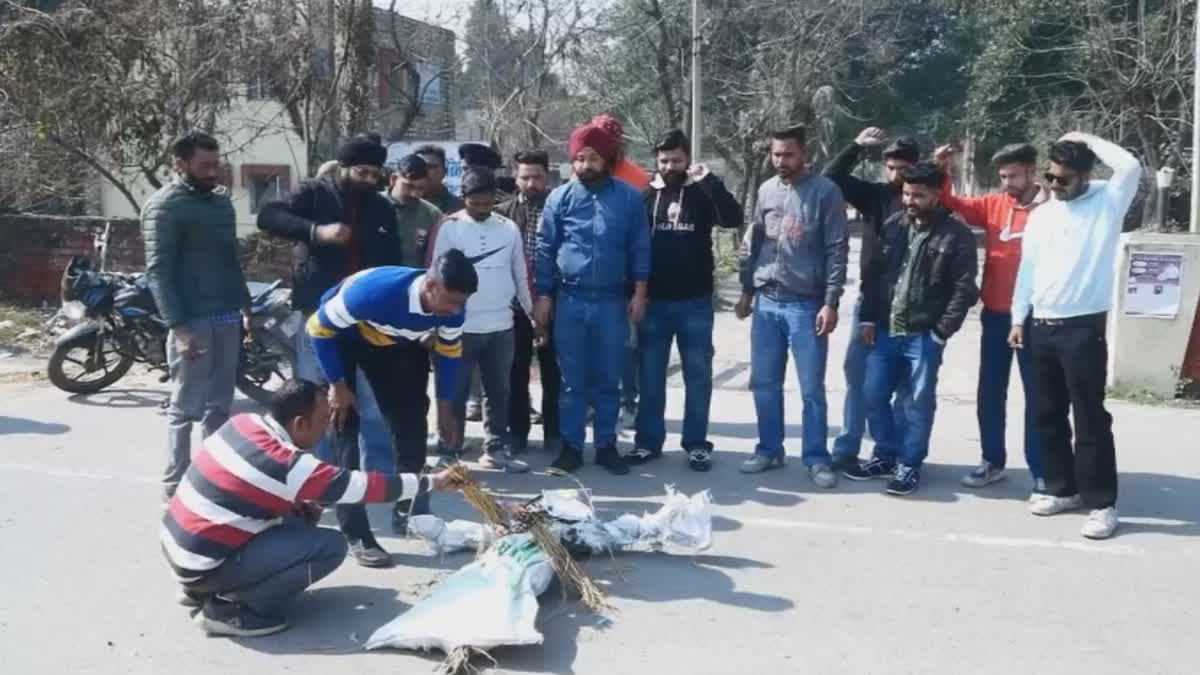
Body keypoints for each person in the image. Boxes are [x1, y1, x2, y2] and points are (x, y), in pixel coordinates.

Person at [160, 379, 456, 637]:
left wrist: (296, 503)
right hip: (201, 563)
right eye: (324, 420)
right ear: (300, 424)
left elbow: (244, 487)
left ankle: (199, 590)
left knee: (300, 516)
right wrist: (432, 482)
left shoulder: (244, 422)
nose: (327, 428)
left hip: (180, 548)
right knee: (331, 546)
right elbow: (365, 487)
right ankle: (236, 612)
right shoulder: (288, 464)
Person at [1010, 132, 1141, 539]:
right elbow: (1027, 269)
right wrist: (1019, 317)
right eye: (1050, 177)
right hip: (1041, 326)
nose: (1053, 185)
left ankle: (1102, 503)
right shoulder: (1043, 215)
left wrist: (1084, 137)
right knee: (1046, 413)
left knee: (1089, 419)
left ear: (1085, 176)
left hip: (1083, 327)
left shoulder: (1108, 201)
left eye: (1063, 179)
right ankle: (1061, 488)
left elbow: (1131, 166)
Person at [305, 254, 476, 566]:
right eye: (451, 301)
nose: (455, 311)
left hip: (389, 342)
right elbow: (317, 329)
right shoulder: (373, 292)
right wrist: (337, 386)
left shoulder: (453, 308)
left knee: (411, 421)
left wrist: (446, 408)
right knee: (345, 426)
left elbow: (449, 354)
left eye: (460, 303)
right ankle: (357, 532)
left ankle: (409, 512)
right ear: (430, 285)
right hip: (339, 339)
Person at [257, 138, 398, 478]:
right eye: (361, 172)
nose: (367, 180)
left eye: (374, 174)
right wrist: (316, 231)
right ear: (343, 167)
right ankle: (316, 476)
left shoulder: (381, 207)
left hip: (366, 321)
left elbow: (391, 260)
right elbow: (268, 215)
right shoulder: (314, 194)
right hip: (318, 317)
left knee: (373, 402)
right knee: (315, 399)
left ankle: (378, 478)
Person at [852, 163, 979, 495]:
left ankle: (909, 463)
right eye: (907, 193)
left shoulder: (956, 235)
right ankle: (885, 455)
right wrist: (867, 318)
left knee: (915, 403)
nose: (909, 200)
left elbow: (965, 289)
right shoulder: (894, 225)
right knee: (873, 395)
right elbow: (873, 275)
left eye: (918, 195)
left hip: (923, 334)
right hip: (883, 331)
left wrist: (940, 332)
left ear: (937, 195)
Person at [534, 121, 651, 475]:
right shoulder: (560, 198)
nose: (586, 165)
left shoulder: (629, 198)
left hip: (613, 301)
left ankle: (605, 445)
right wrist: (543, 295)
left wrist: (640, 293)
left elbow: (640, 247)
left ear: (608, 159)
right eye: (580, 158)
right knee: (572, 381)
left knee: (608, 379)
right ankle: (571, 447)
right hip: (570, 299)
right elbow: (544, 248)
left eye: (593, 158)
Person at [736, 125, 848, 486]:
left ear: (804, 153)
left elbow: (836, 249)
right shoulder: (767, 189)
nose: (780, 161)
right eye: (775, 154)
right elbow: (754, 239)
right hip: (767, 300)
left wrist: (830, 302)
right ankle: (769, 449)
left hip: (806, 304)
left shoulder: (825, 193)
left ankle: (816, 457)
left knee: (810, 388)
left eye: (788, 154)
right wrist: (746, 290)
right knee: (764, 383)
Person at [934, 143, 1048, 495]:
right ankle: (992, 462)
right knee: (989, 393)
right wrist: (943, 170)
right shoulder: (994, 205)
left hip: (1038, 318)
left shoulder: (1056, 209)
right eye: (1002, 176)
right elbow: (954, 203)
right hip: (996, 316)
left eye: (1013, 175)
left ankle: (1042, 472)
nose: (1006, 183)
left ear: (1032, 170)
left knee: (1039, 397)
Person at [143, 131, 252, 500]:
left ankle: (214, 477)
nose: (212, 171)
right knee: (185, 407)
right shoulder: (165, 206)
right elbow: (158, 271)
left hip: (226, 316)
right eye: (204, 165)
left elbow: (230, 260)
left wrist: (246, 308)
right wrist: (178, 327)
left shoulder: (222, 204)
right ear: (180, 163)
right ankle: (174, 483)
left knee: (220, 406)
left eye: (215, 164)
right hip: (192, 321)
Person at [626, 128, 742, 472]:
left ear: (688, 159)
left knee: (698, 375)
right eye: (663, 160)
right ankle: (648, 442)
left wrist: (712, 183)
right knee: (650, 377)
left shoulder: (703, 192)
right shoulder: (645, 196)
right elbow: (632, 246)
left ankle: (696, 444)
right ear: (656, 161)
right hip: (655, 303)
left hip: (695, 302)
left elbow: (732, 219)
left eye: (676, 160)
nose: (670, 166)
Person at [823, 127, 917, 469]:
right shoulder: (874, 196)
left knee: (906, 386)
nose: (896, 175)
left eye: (903, 168)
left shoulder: (925, 200)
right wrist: (856, 146)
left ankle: (898, 453)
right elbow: (831, 176)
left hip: (912, 308)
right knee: (858, 375)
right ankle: (848, 447)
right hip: (871, 302)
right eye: (890, 167)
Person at [429, 169, 534, 472]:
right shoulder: (449, 227)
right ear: (464, 198)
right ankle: (450, 449)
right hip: (458, 326)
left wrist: (532, 314)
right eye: (475, 204)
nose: (482, 209)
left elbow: (520, 273)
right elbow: (434, 275)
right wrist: (434, 322)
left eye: (488, 204)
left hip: (501, 326)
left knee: (498, 391)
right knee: (455, 391)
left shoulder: (509, 228)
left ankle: (496, 449)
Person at [496, 150, 562, 454]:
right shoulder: (502, 213)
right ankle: (518, 432)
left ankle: (554, 433)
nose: (531, 183)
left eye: (537, 176)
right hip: (514, 304)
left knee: (554, 371)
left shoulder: (560, 207)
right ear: (515, 177)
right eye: (525, 177)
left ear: (547, 176)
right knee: (516, 370)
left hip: (555, 301)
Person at [590, 113, 650, 428]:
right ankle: (593, 402)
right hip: (590, 279)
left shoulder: (639, 180)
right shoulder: (581, 174)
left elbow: (643, 236)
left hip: (626, 279)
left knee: (627, 346)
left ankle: (629, 401)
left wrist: (641, 286)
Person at [386, 154, 442, 267]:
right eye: (409, 186)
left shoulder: (432, 214)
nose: (415, 194)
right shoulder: (372, 205)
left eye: (420, 188)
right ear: (393, 179)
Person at [415, 144, 465, 215]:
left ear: (444, 171)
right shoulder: (401, 206)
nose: (425, 171)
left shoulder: (461, 207)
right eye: (419, 166)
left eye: (431, 167)